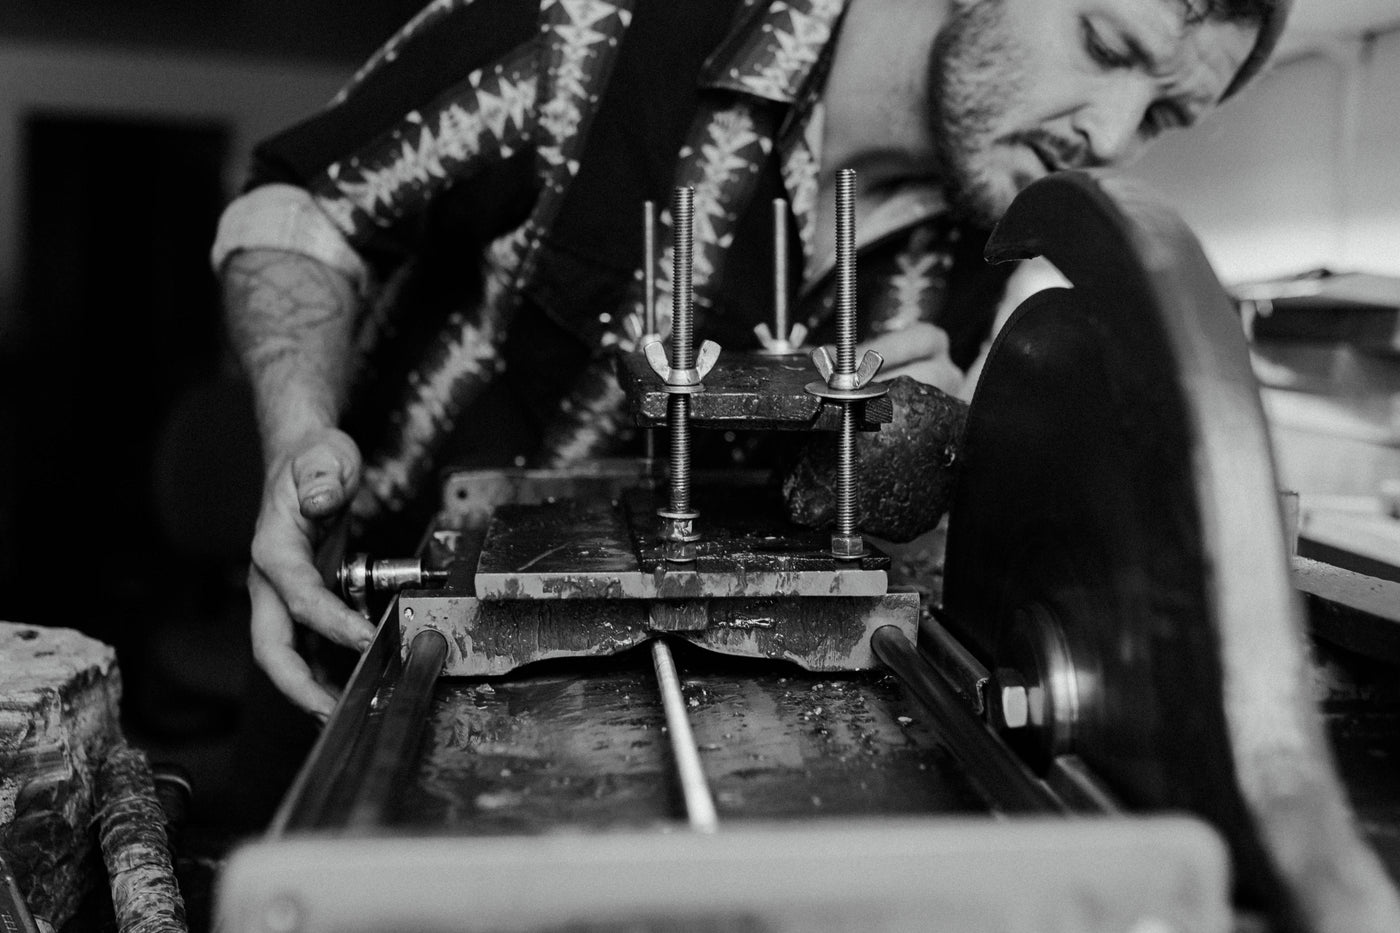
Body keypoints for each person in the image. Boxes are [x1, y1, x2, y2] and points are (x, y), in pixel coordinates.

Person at [213, 0, 1290, 717]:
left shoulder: (989, 229)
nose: (1108, 134)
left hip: (694, 720)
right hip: (385, 663)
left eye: (1165, 113)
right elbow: (303, 216)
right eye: (1105, 47)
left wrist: (933, 454)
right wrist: (298, 436)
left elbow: (855, 519)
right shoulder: (594, 34)